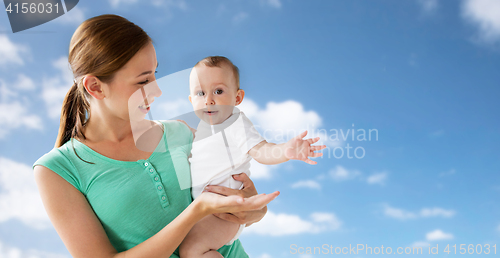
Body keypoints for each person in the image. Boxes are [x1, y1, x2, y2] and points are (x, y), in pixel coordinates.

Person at [32, 14, 278, 258]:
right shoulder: (57, 171)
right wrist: (196, 211)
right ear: (95, 87)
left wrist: (256, 210)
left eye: (154, 74)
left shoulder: (181, 133)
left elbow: (236, 200)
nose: (157, 90)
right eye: (143, 80)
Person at [178, 56, 326, 257]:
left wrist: (285, 150)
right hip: (209, 210)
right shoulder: (205, 128)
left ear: (237, 98)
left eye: (218, 91)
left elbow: (262, 150)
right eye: (200, 93)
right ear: (191, 100)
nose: (208, 100)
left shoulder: (236, 123)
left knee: (192, 250)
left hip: (226, 213)